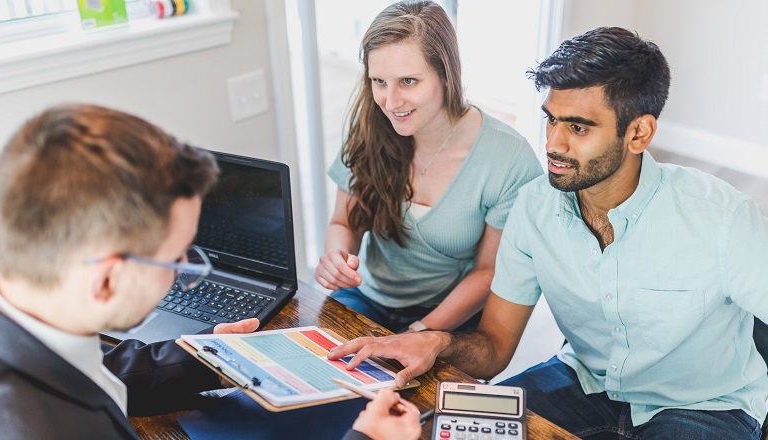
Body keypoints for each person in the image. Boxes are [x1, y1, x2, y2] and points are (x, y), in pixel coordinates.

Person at [329, 27, 768, 439]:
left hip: (704, 405)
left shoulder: (722, 218)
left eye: (578, 127)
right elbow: (495, 346)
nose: (554, 143)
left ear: (639, 133)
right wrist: (435, 342)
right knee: (444, 427)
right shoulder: (534, 208)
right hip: (582, 382)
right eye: (551, 120)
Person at [0, 104, 419, 440]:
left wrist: (207, 358)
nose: (186, 271)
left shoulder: (32, 298)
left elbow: (97, 366)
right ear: (105, 281)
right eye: (177, 258)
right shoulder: (30, 425)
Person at [315, 0, 542, 333]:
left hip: (449, 312)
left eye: (408, 81)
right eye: (379, 81)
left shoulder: (509, 159)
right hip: (364, 296)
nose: (390, 103)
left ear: (446, 74)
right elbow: (343, 223)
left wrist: (420, 333)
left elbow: (488, 271)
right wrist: (337, 260)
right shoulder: (369, 127)